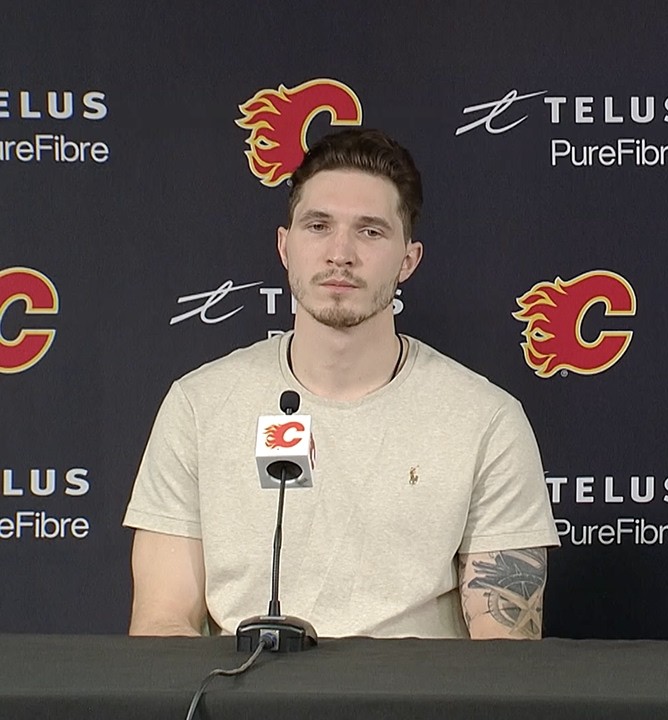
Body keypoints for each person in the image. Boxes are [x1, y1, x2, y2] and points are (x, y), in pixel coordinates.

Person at [124, 128, 558, 640]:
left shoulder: (486, 420)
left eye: (370, 231)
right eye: (318, 226)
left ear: (409, 260)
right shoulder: (198, 406)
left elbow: (503, 648)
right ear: (285, 246)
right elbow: (162, 623)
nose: (340, 253)